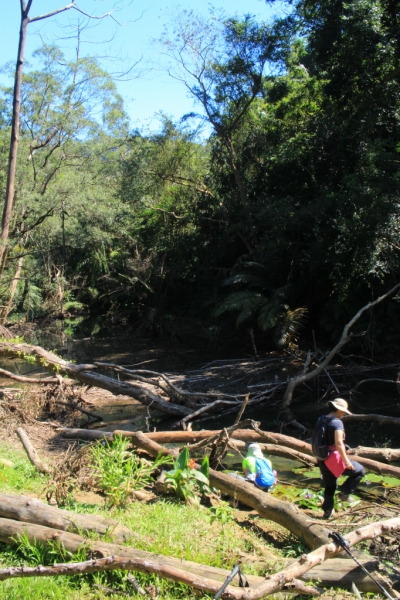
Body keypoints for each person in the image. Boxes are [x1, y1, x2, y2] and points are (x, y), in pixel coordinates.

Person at [315, 398, 365, 519]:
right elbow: (338, 443)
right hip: (333, 458)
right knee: (359, 471)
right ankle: (345, 493)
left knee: (330, 484)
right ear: (338, 410)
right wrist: (346, 461)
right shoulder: (337, 423)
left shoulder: (321, 419)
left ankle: (327, 511)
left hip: (322, 457)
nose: (343, 414)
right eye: (343, 412)